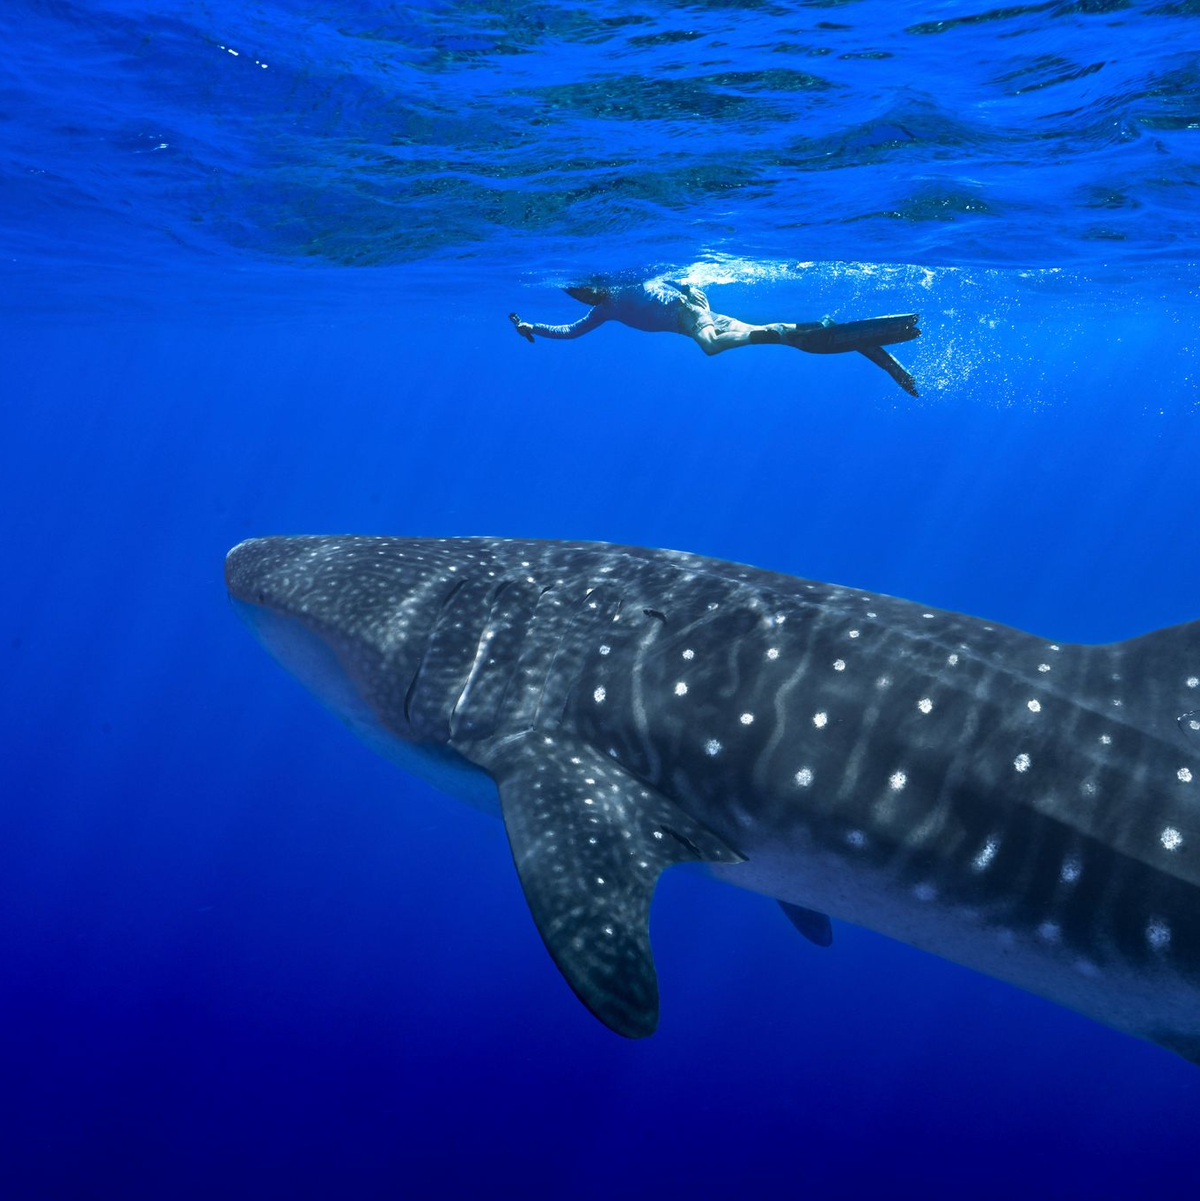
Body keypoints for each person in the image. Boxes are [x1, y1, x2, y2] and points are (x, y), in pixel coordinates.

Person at [509, 279, 921, 396]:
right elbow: (570, 331)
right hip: (702, 318)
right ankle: (831, 331)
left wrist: (690, 290)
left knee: (710, 348)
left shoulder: (632, 281)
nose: (585, 296)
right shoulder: (605, 309)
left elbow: (682, 276)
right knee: (787, 340)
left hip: (696, 318)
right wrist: (533, 328)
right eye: (578, 295)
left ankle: (779, 332)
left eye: (584, 289)